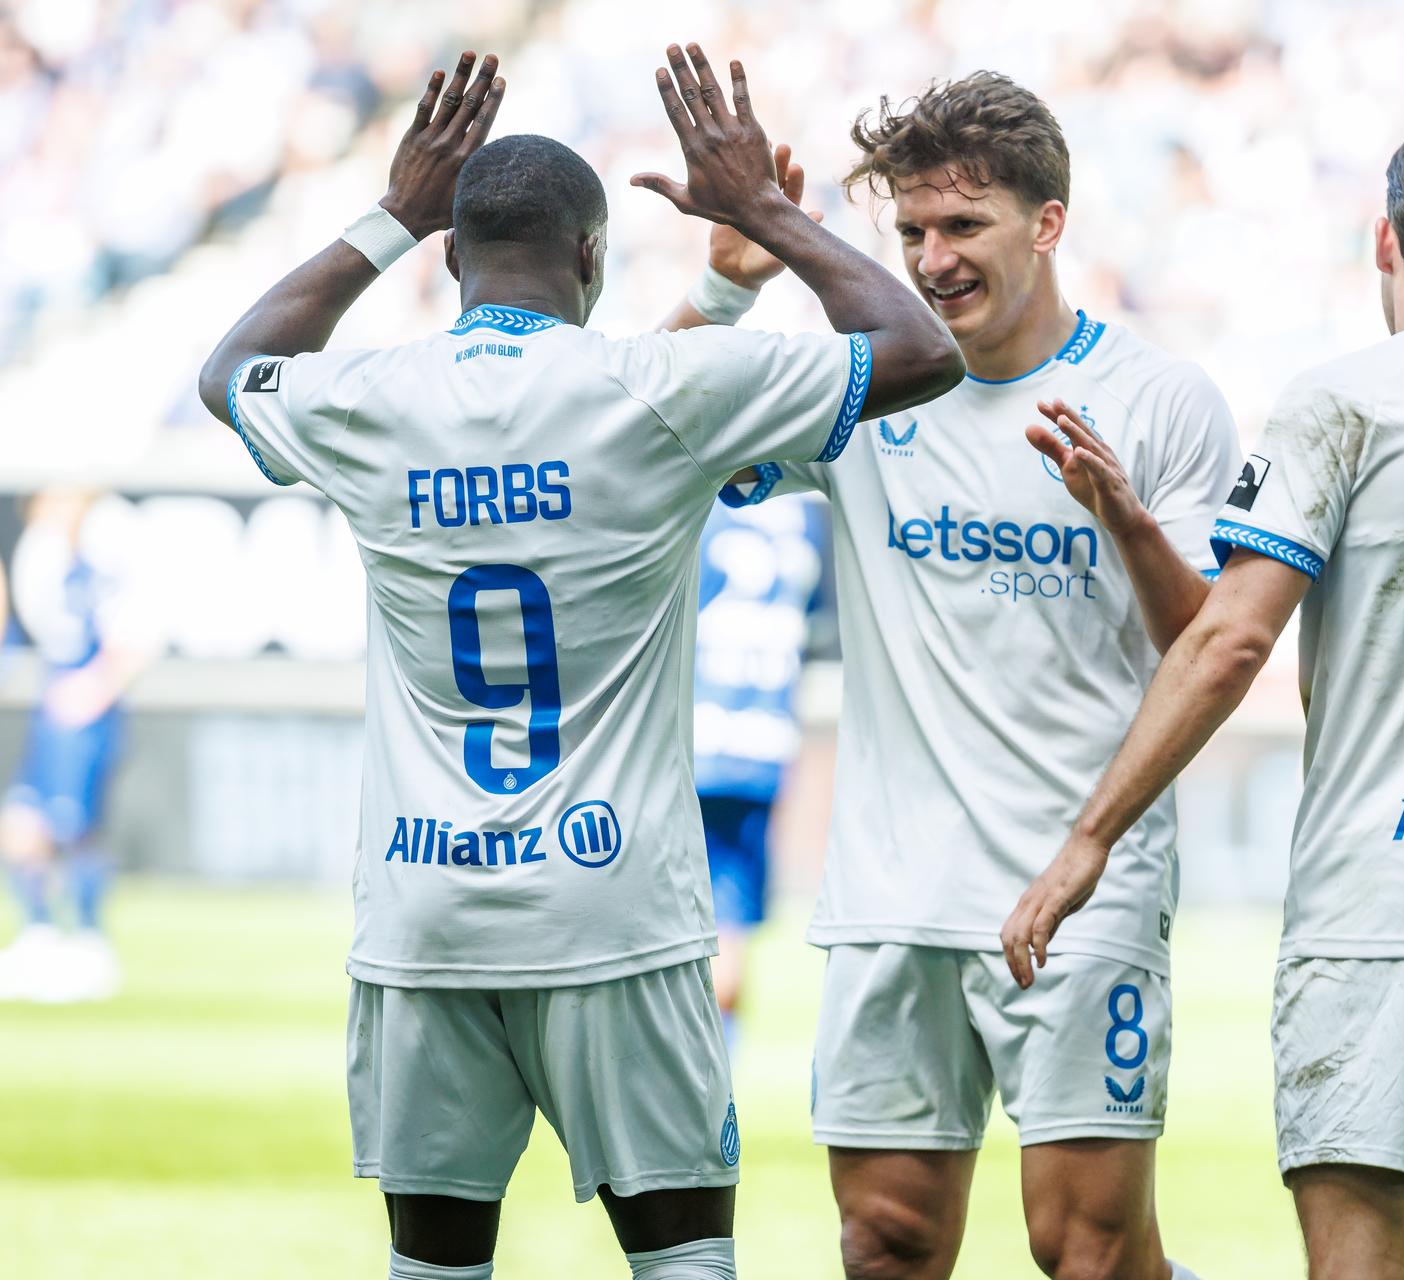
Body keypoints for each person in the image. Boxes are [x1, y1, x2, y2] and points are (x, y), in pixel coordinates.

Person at [194, 44, 961, 1280]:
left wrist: (390, 212)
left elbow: (229, 374)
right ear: (594, 258)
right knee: (684, 1260)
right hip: (614, 911)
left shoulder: (370, 398)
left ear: (453, 256)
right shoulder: (652, 389)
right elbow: (920, 350)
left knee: (435, 1269)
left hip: (425, 916)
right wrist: (763, 211)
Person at [1004, 117, 1404, 1280]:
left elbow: (1230, 640)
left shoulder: (1347, 400)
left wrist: (1089, 836)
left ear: (1384, 240)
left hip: (1387, 896)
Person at [670, 72, 1237, 1280]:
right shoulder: (857, 387)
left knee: (1089, 1253)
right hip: (893, 892)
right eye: (914, 231)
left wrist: (1127, 520)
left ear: (1049, 222)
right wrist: (724, 287)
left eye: (964, 226)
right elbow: (643, 424)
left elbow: (1204, 646)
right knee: (885, 1242)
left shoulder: (1159, 398)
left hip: (1081, 891)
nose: (934, 260)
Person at [0, 488, 149, 1003]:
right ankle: (39, 934)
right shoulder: (42, 555)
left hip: (87, 710)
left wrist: (95, 688)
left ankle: (89, 943)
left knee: (75, 828)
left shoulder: (111, 551)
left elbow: (135, 637)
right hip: (54, 698)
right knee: (22, 822)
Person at [691, 493, 826, 1048]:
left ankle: (691, 1071)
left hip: (692, 740)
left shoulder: (705, 506)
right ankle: (719, 1074)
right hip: (763, 746)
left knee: (673, 933)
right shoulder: (805, 518)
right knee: (729, 928)